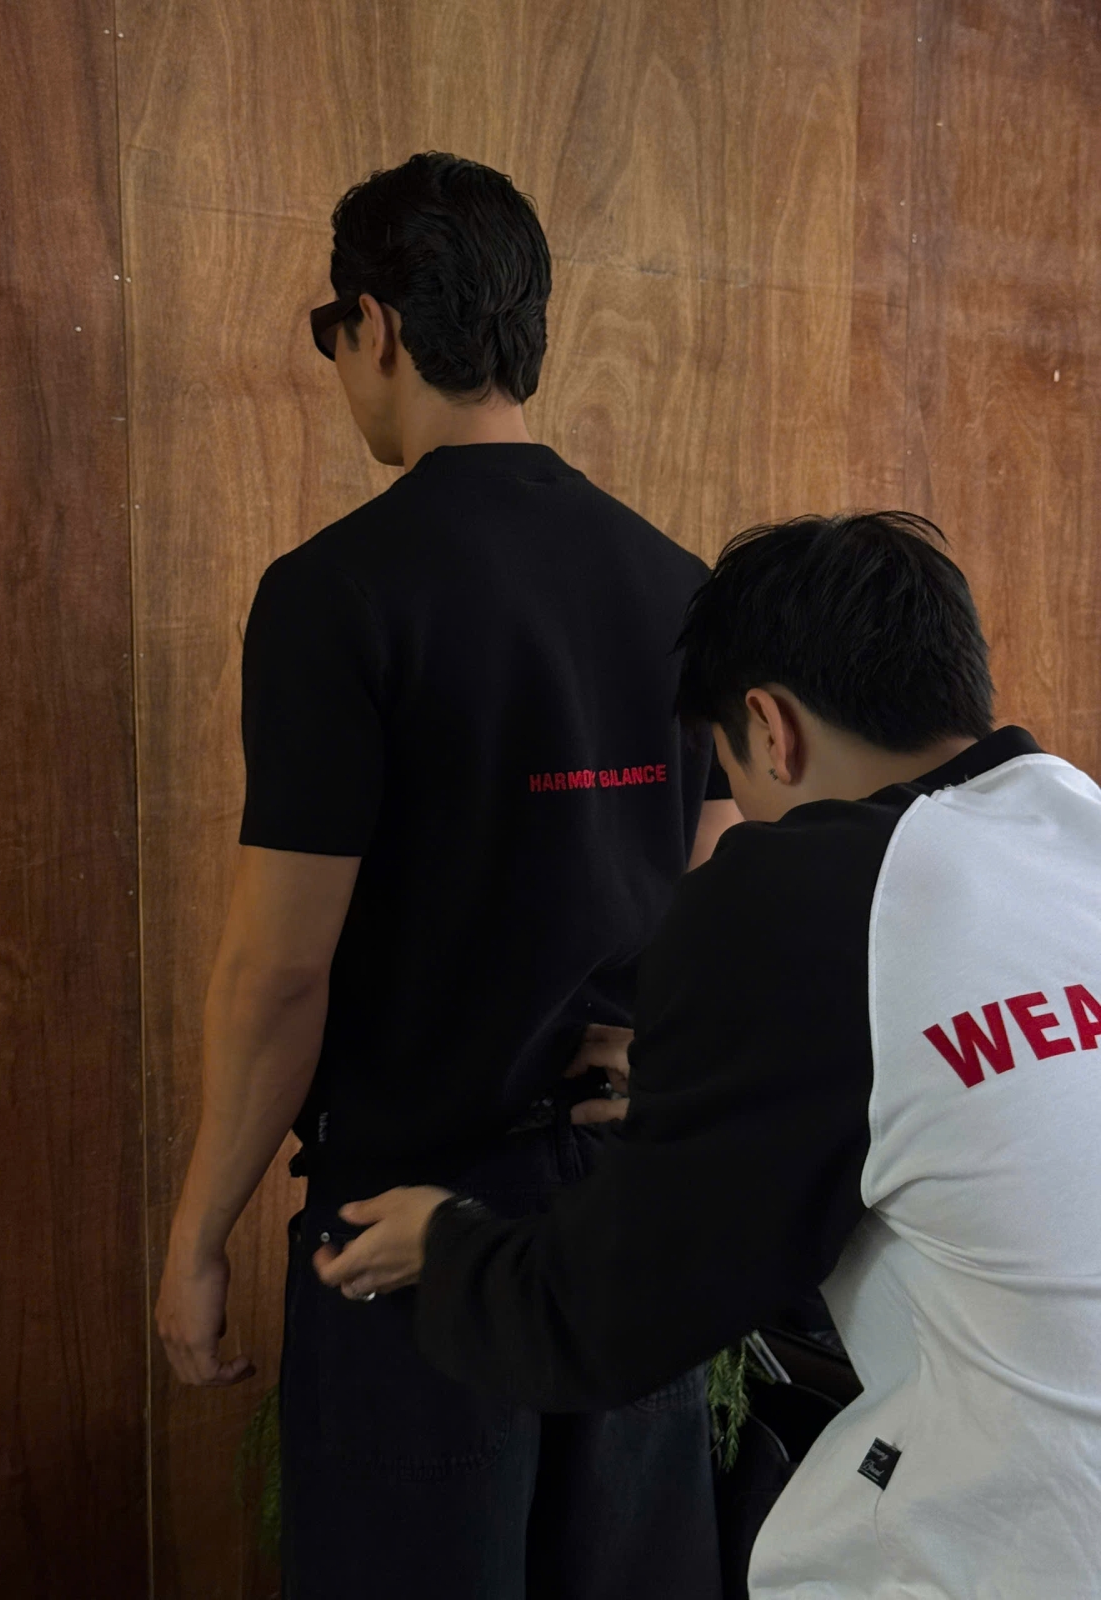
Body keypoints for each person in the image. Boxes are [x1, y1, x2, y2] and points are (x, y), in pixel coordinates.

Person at [318, 511, 1101, 1600]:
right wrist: (722, 1085)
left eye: (728, 773)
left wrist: (443, 1246)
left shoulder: (798, 889)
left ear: (769, 729)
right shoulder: (1074, 822)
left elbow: (606, 1320)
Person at [155, 151, 737, 1600]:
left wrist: (200, 1230)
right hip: (622, 1217)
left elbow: (279, 969)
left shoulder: (335, 594)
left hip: (409, 1239)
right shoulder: (680, 586)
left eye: (337, 336)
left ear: (378, 327)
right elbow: (722, 878)